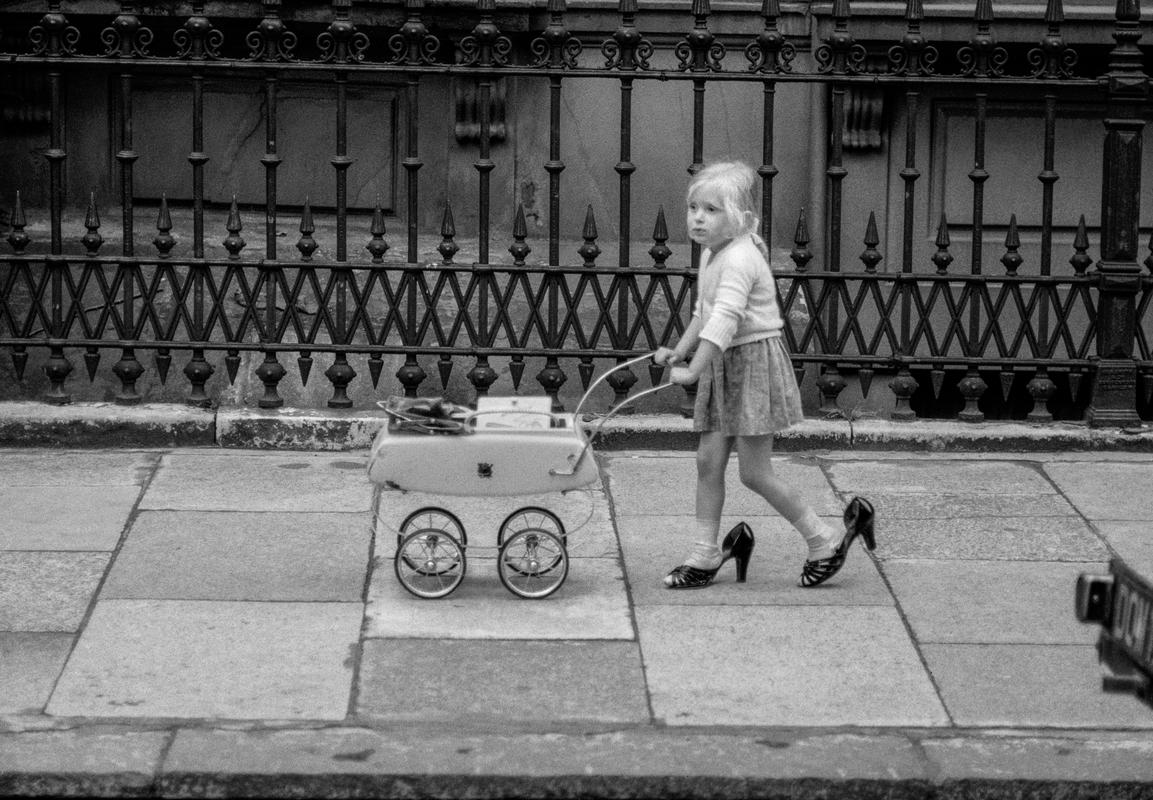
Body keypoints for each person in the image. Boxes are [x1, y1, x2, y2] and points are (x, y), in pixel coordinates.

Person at [654, 160, 875, 589]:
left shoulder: (740, 258)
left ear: (739, 218)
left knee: (754, 472)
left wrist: (694, 369)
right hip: (725, 361)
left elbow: (727, 320)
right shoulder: (712, 253)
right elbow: (706, 311)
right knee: (707, 461)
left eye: (712, 210)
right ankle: (703, 554)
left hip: (751, 363)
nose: (698, 217)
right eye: (693, 207)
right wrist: (678, 350)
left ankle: (824, 538)